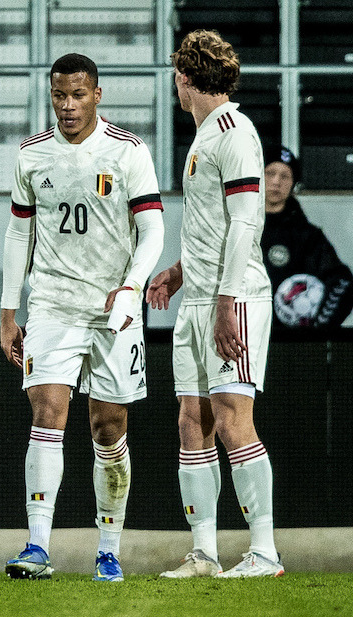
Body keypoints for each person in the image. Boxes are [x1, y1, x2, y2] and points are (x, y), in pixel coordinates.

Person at [0, 54, 165, 582]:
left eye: (77, 95)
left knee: (108, 426)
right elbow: (19, 232)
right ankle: (36, 546)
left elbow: (153, 230)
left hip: (114, 311)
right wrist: (8, 311)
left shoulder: (128, 150)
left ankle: (108, 550)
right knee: (47, 412)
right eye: (59, 96)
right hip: (52, 305)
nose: (67, 106)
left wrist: (131, 288)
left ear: (97, 94)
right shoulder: (31, 154)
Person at [149, 29, 283, 578]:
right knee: (193, 421)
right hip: (200, 299)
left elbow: (247, 222)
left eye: (175, 78)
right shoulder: (206, 135)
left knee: (232, 419)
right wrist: (180, 272)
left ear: (185, 78)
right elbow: (216, 224)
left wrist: (227, 300)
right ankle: (204, 553)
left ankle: (264, 552)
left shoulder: (234, 133)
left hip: (236, 297)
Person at [261, 145, 353, 329]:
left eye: (285, 176)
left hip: (287, 339)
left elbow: (342, 281)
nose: (276, 181)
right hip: (243, 335)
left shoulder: (306, 236)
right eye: (270, 173)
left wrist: (318, 328)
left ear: (293, 184)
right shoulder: (239, 226)